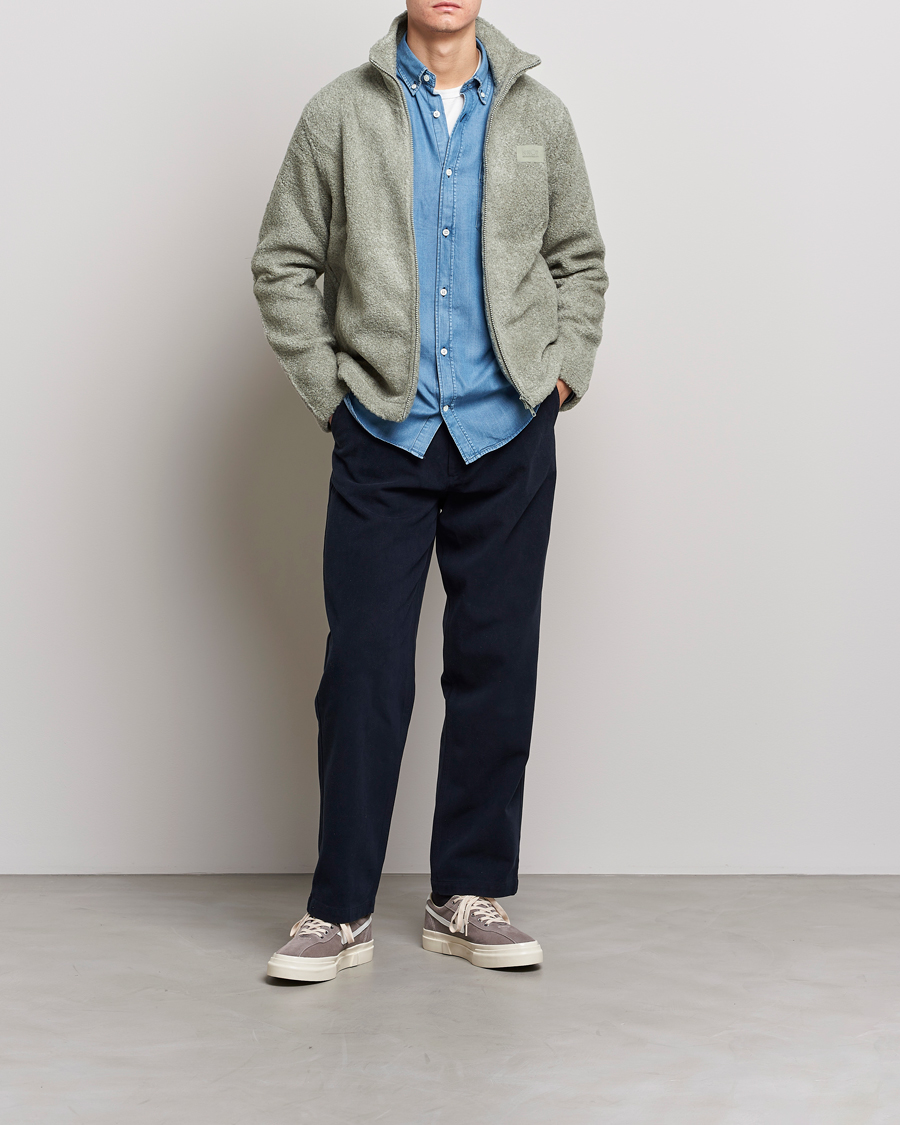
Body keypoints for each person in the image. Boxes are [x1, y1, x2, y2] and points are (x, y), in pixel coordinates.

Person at [251, 0, 608, 983]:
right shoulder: (340, 112)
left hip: (507, 431)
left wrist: (561, 374)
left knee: (496, 664)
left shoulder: (539, 116)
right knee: (363, 669)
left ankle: (469, 895)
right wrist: (335, 398)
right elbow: (282, 263)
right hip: (384, 430)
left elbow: (579, 260)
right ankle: (338, 909)